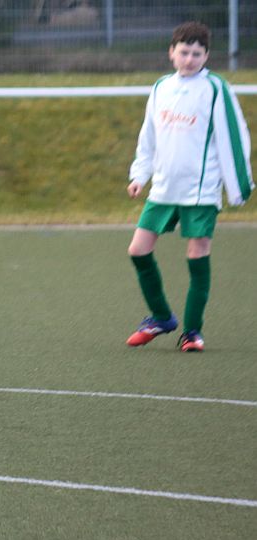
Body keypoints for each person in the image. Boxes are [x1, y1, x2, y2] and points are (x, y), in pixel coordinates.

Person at [125, 21, 252, 352]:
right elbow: (148, 137)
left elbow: (234, 136)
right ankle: (162, 318)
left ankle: (192, 332)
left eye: (197, 53)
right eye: (184, 52)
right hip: (164, 189)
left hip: (201, 190)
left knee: (197, 253)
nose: (190, 59)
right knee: (138, 250)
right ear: (171, 52)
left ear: (206, 56)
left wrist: (238, 186)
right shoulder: (160, 88)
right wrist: (140, 174)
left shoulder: (215, 89)